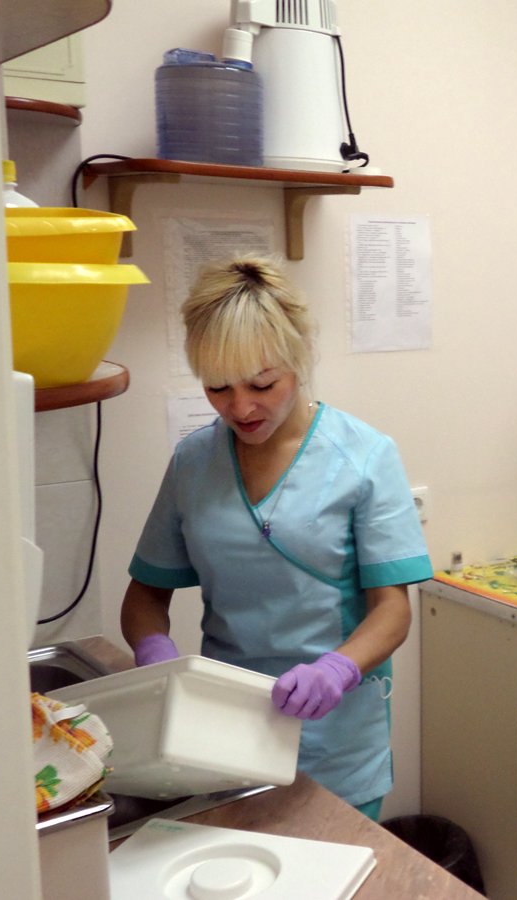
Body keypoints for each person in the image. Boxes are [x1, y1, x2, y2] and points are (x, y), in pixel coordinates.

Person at [121, 256, 432, 821]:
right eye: (218, 387)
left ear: (299, 359)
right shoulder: (194, 462)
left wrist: (336, 670)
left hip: (335, 740)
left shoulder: (364, 457)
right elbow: (145, 593)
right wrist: (154, 651)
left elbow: (392, 612)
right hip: (226, 736)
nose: (240, 407)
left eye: (263, 384)